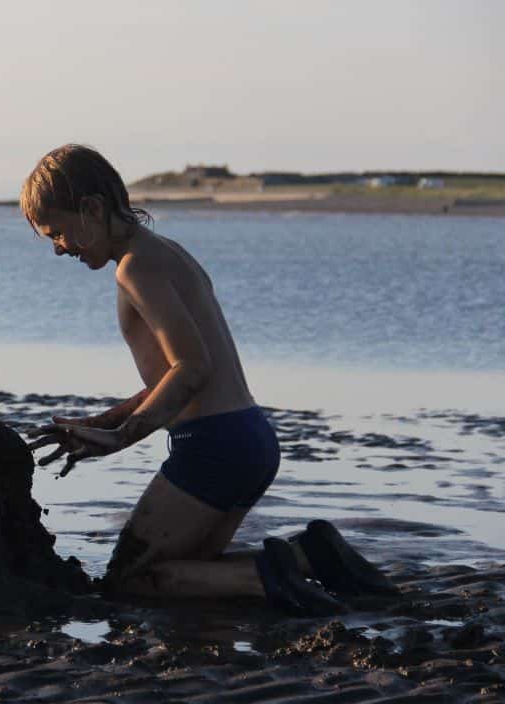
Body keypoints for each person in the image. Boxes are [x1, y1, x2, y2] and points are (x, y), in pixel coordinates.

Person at [22, 144, 396, 614]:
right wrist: (101, 420)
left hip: (214, 448)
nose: (58, 249)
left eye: (57, 233)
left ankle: (266, 577)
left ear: (92, 209)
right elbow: (171, 373)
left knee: (129, 581)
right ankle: (309, 555)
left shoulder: (136, 268)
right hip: (247, 436)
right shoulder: (165, 252)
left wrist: (121, 437)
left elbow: (192, 369)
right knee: (190, 565)